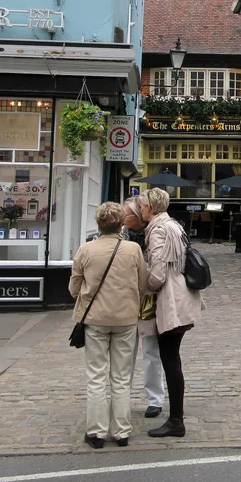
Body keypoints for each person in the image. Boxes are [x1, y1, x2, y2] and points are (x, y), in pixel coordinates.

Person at [68, 202, 148, 449]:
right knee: (122, 377)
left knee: (96, 376)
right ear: (121, 223)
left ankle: (96, 432)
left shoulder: (85, 250)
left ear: (98, 224)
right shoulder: (133, 249)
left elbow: (73, 289)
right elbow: (142, 284)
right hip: (125, 318)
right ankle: (122, 431)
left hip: (94, 320)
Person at [140, 187, 205, 438]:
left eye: (143, 203)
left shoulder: (157, 230)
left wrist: (143, 288)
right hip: (183, 295)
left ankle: (176, 421)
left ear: (150, 207)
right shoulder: (174, 225)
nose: (141, 207)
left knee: (170, 360)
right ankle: (176, 418)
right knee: (172, 358)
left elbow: (157, 275)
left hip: (170, 301)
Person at [122, 195, 165, 418]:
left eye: (126, 214)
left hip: (147, 298)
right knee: (124, 353)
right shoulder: (120, 234)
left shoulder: (153, 233)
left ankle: (155, 398)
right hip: (125, 299)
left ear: (138, 216)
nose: (122, 217)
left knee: (151, 350)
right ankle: (121, 397)